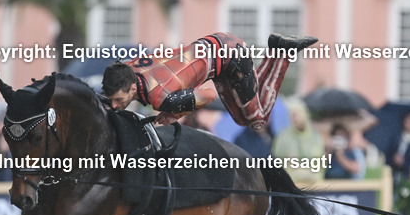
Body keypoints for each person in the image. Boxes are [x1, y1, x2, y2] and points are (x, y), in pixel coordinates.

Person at [102, 31, 317, 129]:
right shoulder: (125, 69)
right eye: (110, 99)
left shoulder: (160, 98)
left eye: (117, 99)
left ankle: (284, 52)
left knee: (258, 120)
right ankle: (277, 50)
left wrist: (171, 114)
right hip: (216, 54)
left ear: (131, 88)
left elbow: (207, 95)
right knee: (242, 120)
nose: (114, 105)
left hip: (230, 55)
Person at [271, 100, 325, 183]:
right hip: (290, 182)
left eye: (297, 115)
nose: (295, 119)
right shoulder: (283, 137)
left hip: (313, 182)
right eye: (292, 115)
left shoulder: (315, 137)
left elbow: (319, 161)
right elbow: (277, 160)